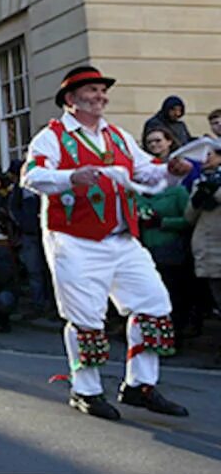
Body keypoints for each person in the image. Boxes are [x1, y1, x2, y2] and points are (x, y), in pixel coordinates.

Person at [21, 65, 192, 421]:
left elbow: (147, 171)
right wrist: (71, 176)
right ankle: (85, 390)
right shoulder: (51, 136)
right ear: (71, 100)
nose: (101, 96)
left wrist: (170, 170)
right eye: (92, 91)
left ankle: (139, 386)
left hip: (123, 238)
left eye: (102, 90)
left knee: (154, 304)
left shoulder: (118, 136)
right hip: (75, 240)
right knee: (85, 317)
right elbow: (32, 177)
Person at [136, 128, 194, 342]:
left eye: (157, 141)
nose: (153, 145)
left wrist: (164, 222)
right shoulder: (142, 191)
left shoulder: (178, 191)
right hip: (148, 250)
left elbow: (188, 219)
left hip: (171, 249)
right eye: (149, 142)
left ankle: (174, 335)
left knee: (173, 295)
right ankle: (153, 335)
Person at [186, 145, 221, 363]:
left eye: (211, 154)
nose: (205, 158)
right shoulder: (201, 180)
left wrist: (216, 192)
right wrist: (199, 197)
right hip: (207, 250)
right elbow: (189, 216)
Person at [7, 159, 48, 318]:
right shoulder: (20, 189)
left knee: (49, 271)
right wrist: (24, 223)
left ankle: (53, 306)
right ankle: (39, 305)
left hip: (46, 232)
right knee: (34, 270)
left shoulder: (43, 183)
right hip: (30, 234)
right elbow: (13, 208)